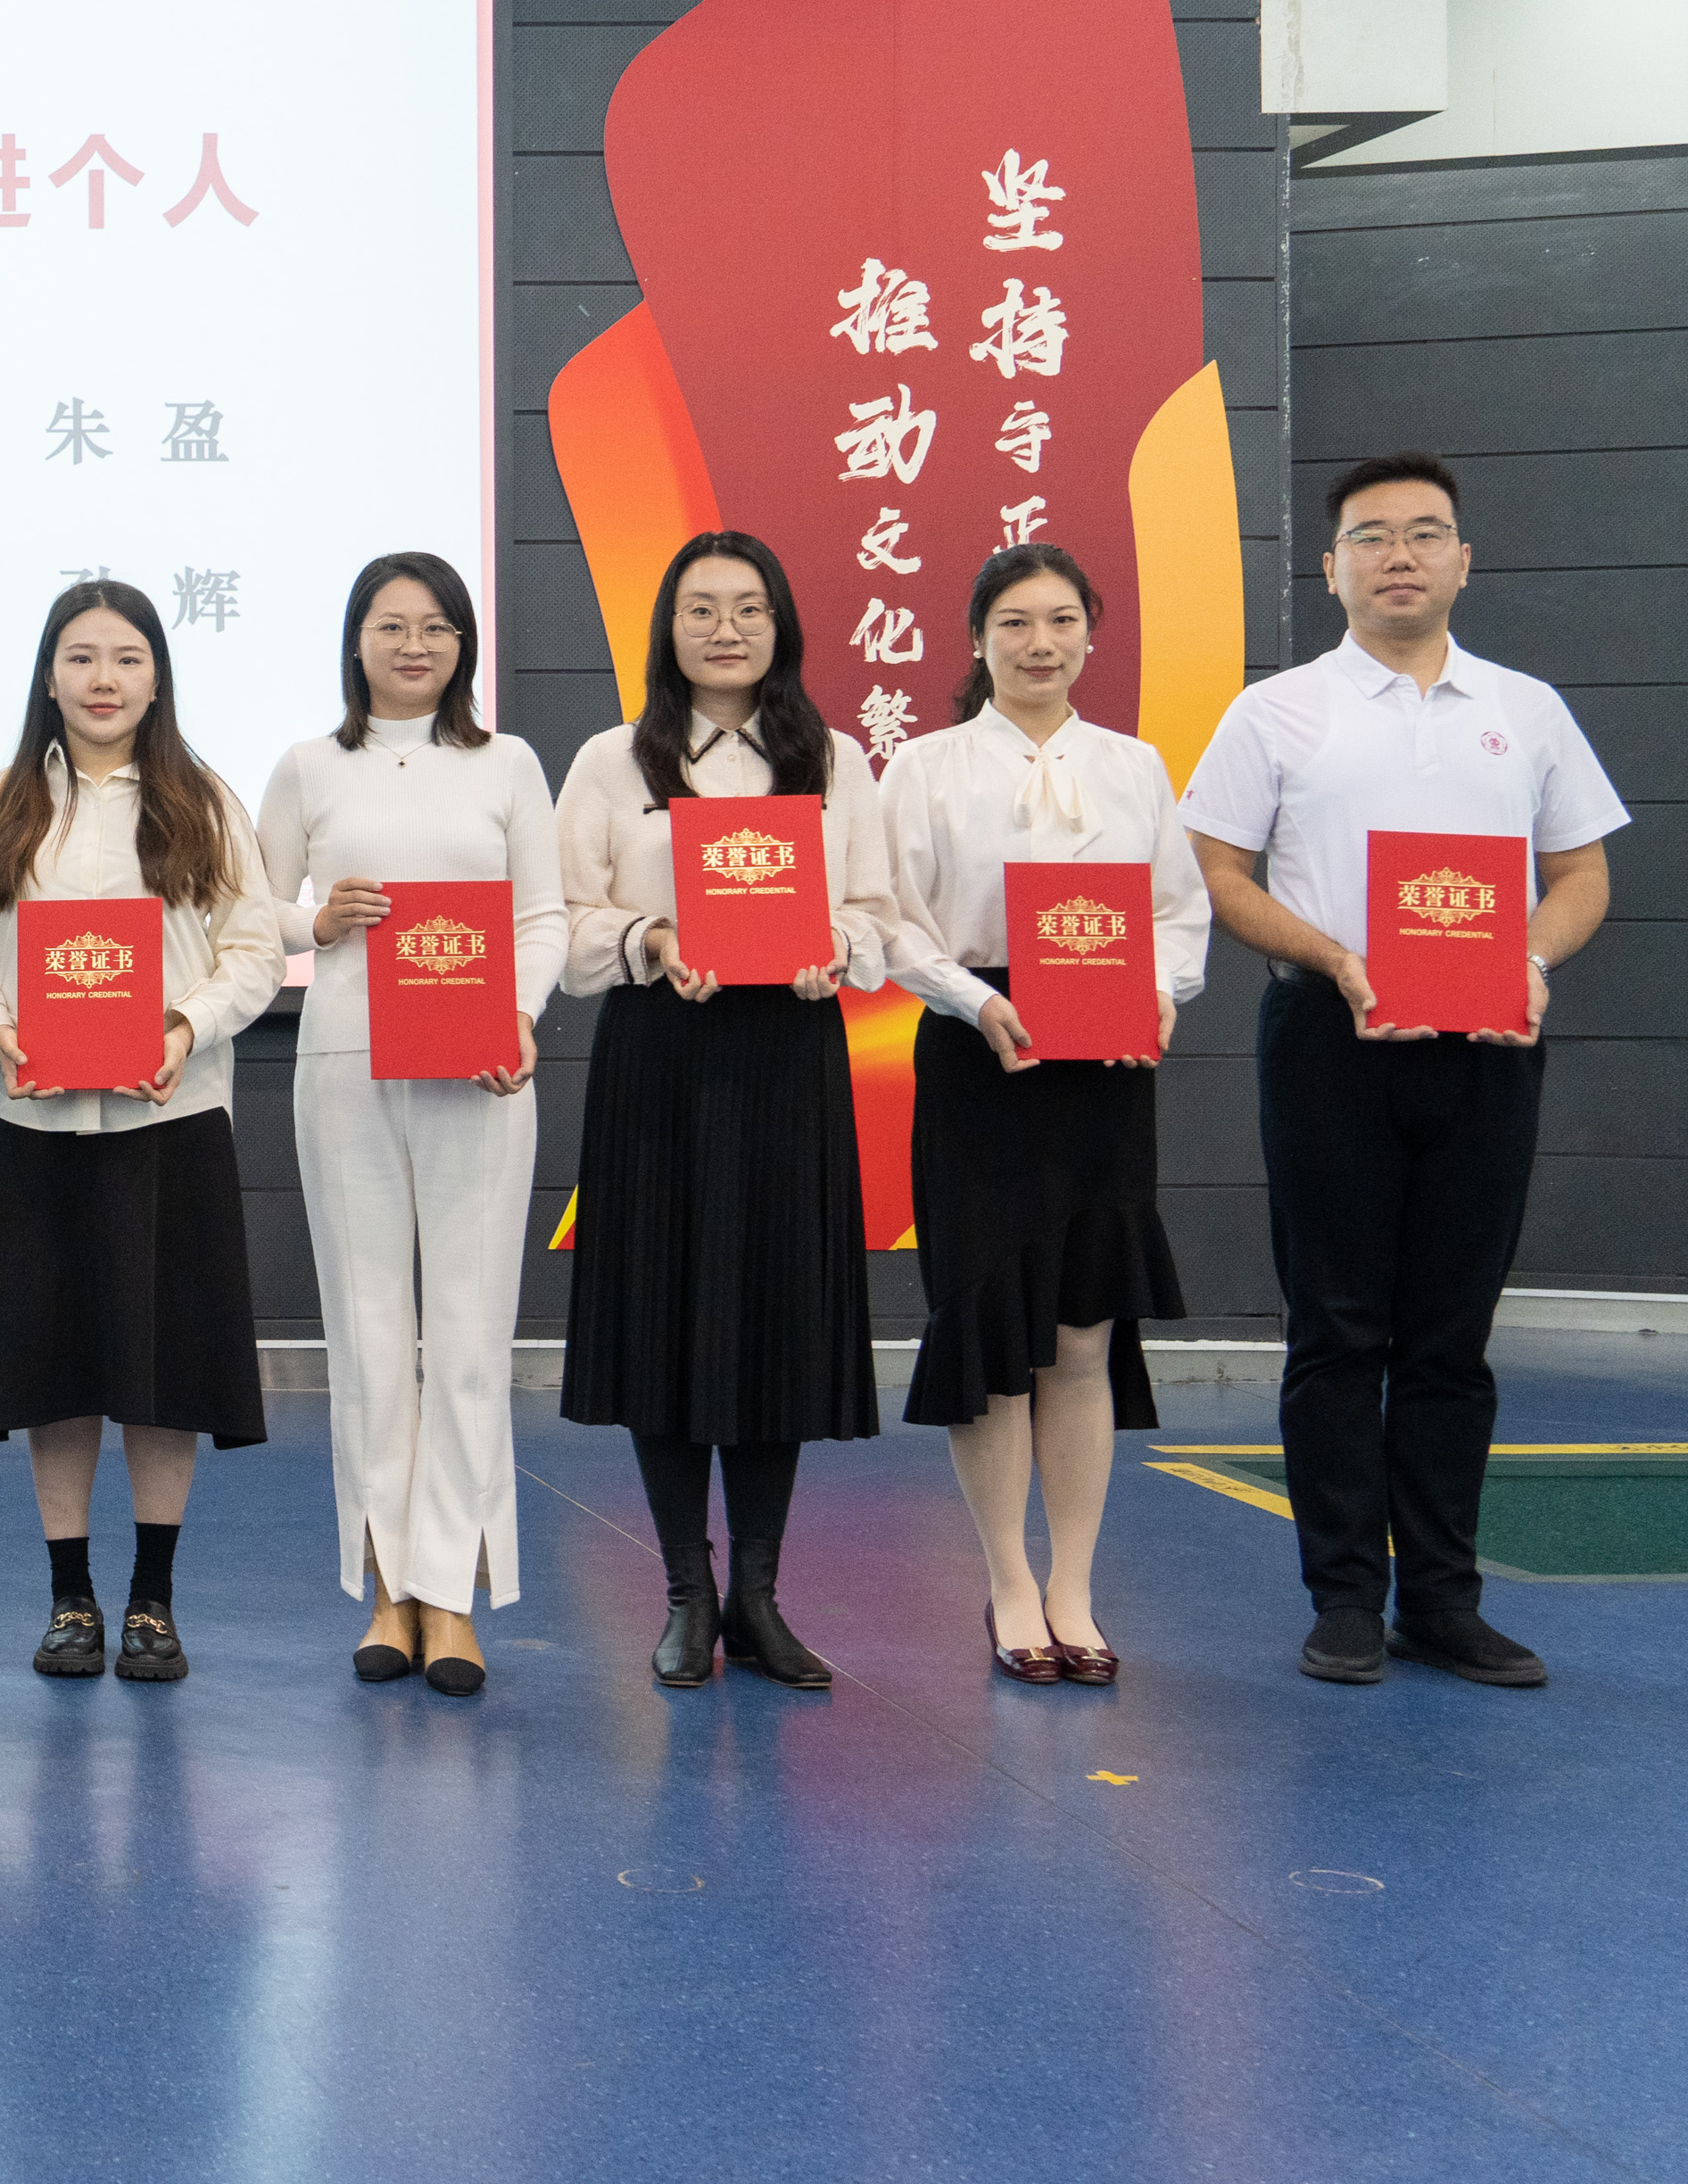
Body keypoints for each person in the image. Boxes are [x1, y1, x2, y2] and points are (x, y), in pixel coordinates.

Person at [1180, 452, 1622, 1691]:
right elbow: (1216, 871)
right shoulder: (1276, 711)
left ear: (1462, 560)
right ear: (1330, 567)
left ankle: (1441, 1599)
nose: (1399, 556)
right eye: (1370, 537)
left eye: (1424, 533)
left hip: (1489, 1044)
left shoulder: (1525, 709)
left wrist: (1527, 962)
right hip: (1330, 1038)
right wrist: (1333, 956)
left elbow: (1581, 874)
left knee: (1449, 1336)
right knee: (1335, 1327)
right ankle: (1343, 1598)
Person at [552, 530, 902, 1692]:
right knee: (663, 1313)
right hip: (660, 1057)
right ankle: (684, 1592)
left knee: (775, 1317)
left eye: (748, 607)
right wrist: (652, 938)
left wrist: (830, 945)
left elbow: (875, 911)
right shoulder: (613, 760)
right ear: (667, 629)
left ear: (780, 625)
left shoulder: (832, 757)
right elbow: (566, 916)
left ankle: (757, 1594)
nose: (725, 629)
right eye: (700, 608)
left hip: (786, 1055)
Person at [0, 581, 279, 1685]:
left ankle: (152, 1600)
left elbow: (253, 952)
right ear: (47, 676)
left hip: (167, 1120)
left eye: (126, 658)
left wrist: (184, 1025)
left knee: (160, 1368)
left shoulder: (202, 802)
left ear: (155, 678)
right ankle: (70, 1598)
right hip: (32, 1119)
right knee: (55, 1366)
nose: (102, 679)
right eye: (79, 657)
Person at [880, 547, 1209, 1687]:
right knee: (993, 1329)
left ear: (1089, 634)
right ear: (976, 638)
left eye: (1061, 620)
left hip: (1103, 1068)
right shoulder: (922, 766)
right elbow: (892, 920)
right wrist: (973, 1001)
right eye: (1014, 622)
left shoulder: (1132, 764)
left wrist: (1155, 992)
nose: (1038, 643)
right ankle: (1008, 1582)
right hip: (982, 1052)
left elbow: (1176, 911)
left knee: (1080, 1334)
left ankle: (1073, 1583)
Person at [251, 551, 563, 1700]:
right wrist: (315, 921)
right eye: (390, 625)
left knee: (470, 1339)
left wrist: (515, 1016)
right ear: (355, 640)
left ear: (462, 644)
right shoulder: (307, 766)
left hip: (479, 1069)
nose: (413, 644)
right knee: (368, 1333)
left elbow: (541, 916)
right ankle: (388, 1585)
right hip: (344, 1066)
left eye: (435, 626)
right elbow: (247, 911)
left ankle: (453, 1594)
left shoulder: (506, 763)